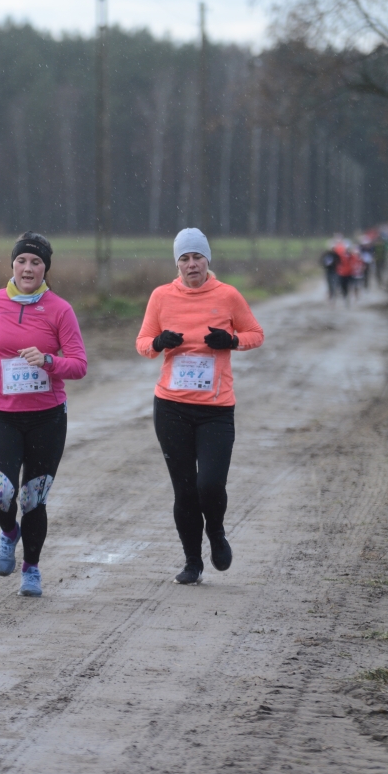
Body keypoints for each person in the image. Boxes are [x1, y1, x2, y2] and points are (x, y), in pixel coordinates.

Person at [136, 227, 264, 585]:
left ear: (207, 260)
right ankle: (192, 562)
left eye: (197, 257)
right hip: (171, 407)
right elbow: (143, 342)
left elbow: (256, 334)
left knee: (209, 484)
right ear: (177, 264)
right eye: (185, 258)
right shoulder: (161, 296)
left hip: (216, 409)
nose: (192, 264)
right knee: (185, 490)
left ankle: (216, 531)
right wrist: (158, 342)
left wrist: (232, 340)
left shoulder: (228, 295)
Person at [0, 232, 87, 596]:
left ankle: (31, 569)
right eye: (22, 261)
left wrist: (48, 361)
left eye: (36, 262)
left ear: (46, 268)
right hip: (3, 414)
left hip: (48, 417)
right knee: (0, 492)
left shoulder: (60, 310)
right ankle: (9, 532)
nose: (28, 268)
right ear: (13, 265)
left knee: (33, 498)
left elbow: (79, 365)